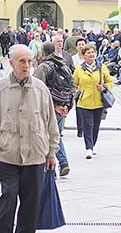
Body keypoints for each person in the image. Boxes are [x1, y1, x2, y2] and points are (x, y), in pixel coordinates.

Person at [0, 44, 59, 233]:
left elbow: (51, 123)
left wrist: (51, 152)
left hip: (35, 157)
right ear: (11, 63)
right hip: (8, 157)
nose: (26, 65)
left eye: (30, 61)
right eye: (22, 61)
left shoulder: (40, 89)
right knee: (9, 198)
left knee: (31, 206)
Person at [36, 42, 74, 177]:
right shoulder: (64, 66)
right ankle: (63, 163)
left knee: (48, 136)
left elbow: (39, 90)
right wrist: (67, 106)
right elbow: (72, 87)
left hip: (50, 108)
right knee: (55, 135)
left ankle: (51, 168)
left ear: (43, 52)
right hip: (63, 107)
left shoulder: (44, 67)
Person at [73, 43, 113, 159]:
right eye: (88, 52)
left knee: (96, 126)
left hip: (99, 102)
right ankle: (88, 148)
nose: (91, 54)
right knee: (87, 125)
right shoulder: (79, 69)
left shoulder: (102, 67)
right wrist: (78, 93)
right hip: (84, 102)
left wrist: (104, 87)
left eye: (93, 52)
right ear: (84, 55)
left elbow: (110, 82)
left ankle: (92, 145)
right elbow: (74, 83)